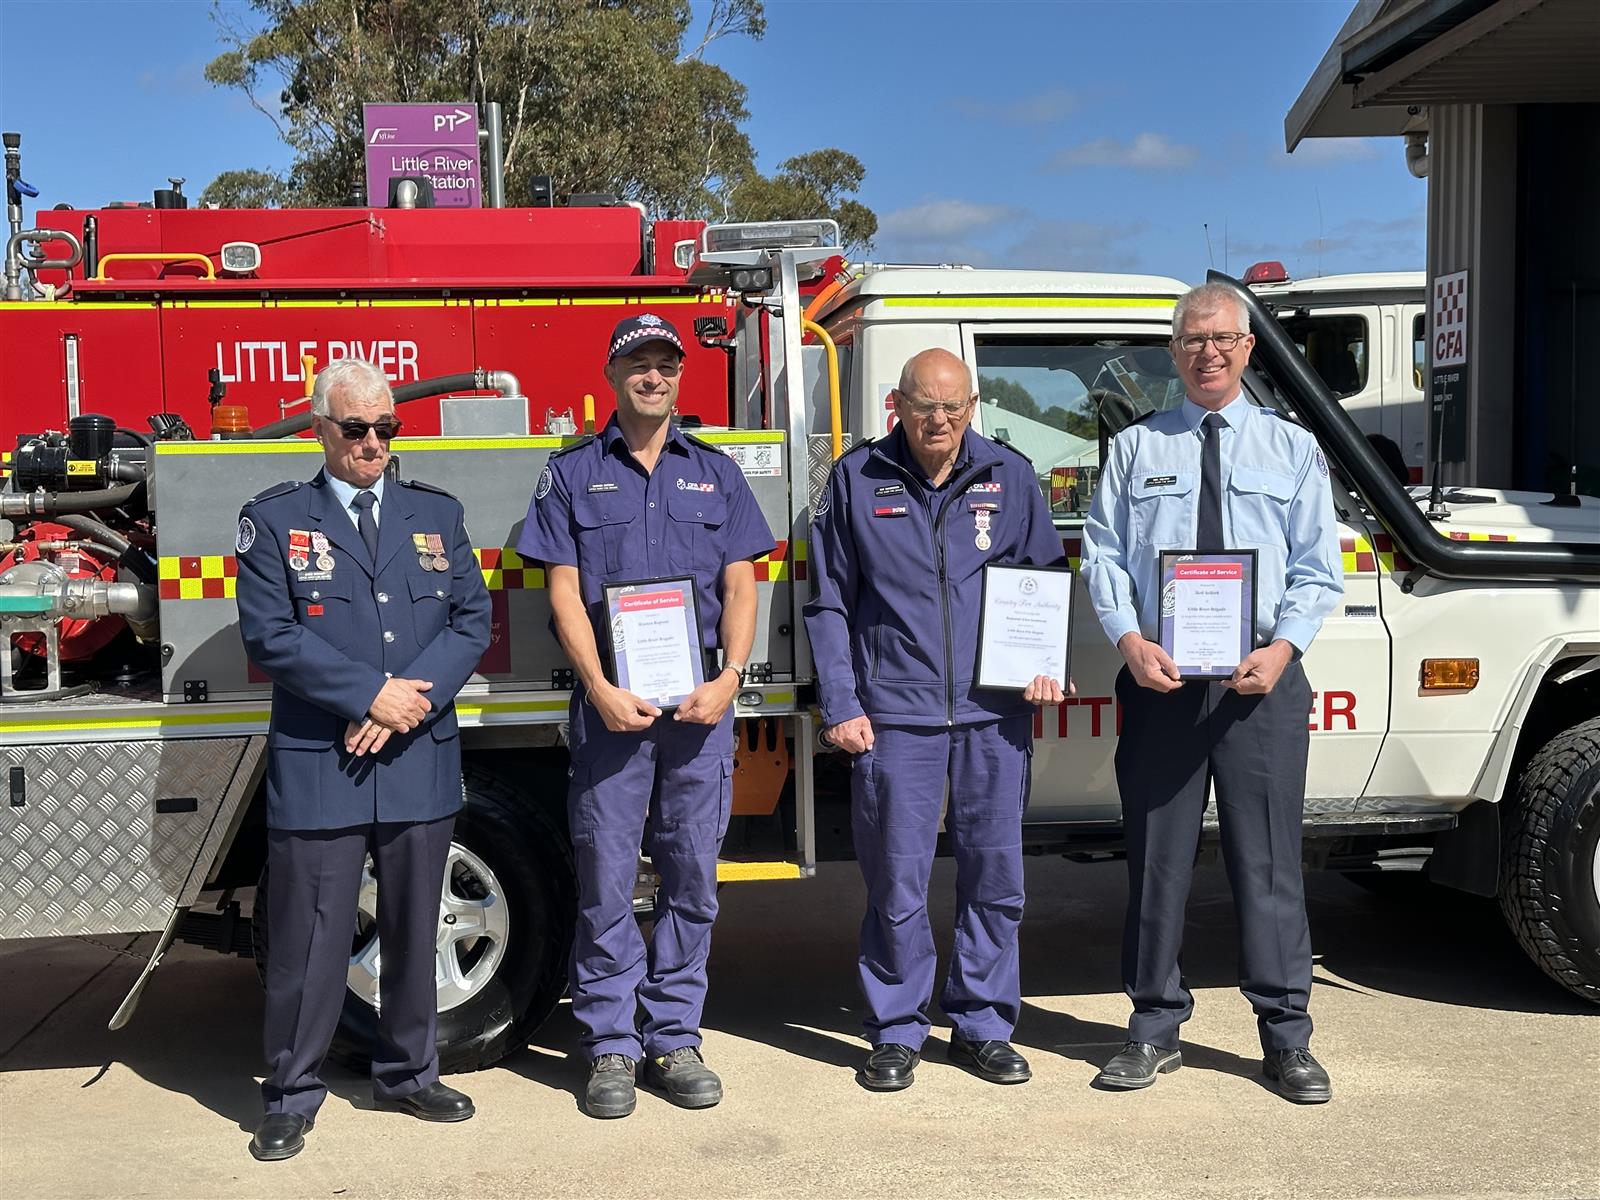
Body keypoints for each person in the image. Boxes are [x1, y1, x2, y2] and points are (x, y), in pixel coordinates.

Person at [1080, 282, 1343, 1103]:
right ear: (1174, 351)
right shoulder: (1137, 449)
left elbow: (1316, 568)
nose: (1208, 352)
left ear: (1248, 347)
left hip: (1259, 684)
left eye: (1223, 338)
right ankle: (1154, 1028)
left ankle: (1286, 1037)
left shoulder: (1291, 449)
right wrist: (1129, 641)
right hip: (1161, 683)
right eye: (1193, 339)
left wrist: (1283, 648)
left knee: (1266, 865)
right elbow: (1104, 559)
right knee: (1157, 862)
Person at [518, 314, 773, 1119]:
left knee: (693, 880)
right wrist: (596, 684)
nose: (653, 376)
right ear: (612, 373)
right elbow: (562, 590)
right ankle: (609, 1047)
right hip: (614, 713)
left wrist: (731, 677)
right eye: (638, 362)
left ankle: (674, 1037)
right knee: (605, 882)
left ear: (680, 376)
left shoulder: (718, 474)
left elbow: (741, 585)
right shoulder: (571, 473)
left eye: (666, 363)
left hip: (699, 712)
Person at [235, 358, 491, 1160]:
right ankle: (290, 1091)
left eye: (387, 426)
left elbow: (470, 619)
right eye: (357, 428)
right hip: (323, 759)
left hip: (417, 750)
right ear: (321, 430)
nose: (375, 442)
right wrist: (368, 695)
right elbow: (270, 635)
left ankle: (410, 1073)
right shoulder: (275, 520)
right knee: (311, 937)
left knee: (417, 925)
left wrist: (410, 700)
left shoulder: (435, 514)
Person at [804, 348, 1068, 1092]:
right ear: (897, 404)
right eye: (924, 406)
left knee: (996, 875)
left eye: (953, 407)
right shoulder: (857, 479)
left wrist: (1043, 660)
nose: (939, 421)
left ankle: (982, 1023)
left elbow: (1042, 577)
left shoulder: (1010, 477)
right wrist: (844, 702)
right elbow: (827, 601)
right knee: (898, 881)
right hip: (895, 717)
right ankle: (896, 1028)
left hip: (994, 713)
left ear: (973, 404)